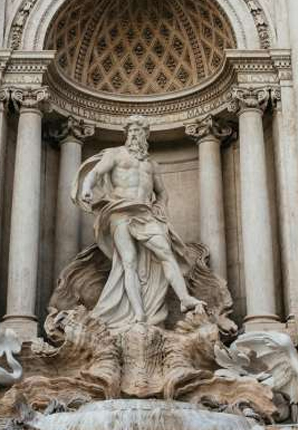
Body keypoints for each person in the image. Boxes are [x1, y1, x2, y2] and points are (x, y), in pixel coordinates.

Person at [73, 115, 206, 328]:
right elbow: (95, 173)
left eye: (140, 131)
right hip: (120, 212)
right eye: (132, 131)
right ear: (126, 134)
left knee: (166, 253)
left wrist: (160, 208)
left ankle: (184, 298)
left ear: (146, 135)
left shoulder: (152, 165)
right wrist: (86, 188)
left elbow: (162, 193)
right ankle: (139, 314)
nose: (135, 134)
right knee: (129, 262)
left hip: (145, 213)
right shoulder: (115, 154)